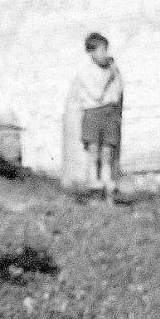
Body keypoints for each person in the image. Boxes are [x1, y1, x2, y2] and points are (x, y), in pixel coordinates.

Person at [69, 32, 124, 203]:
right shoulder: (86, 73)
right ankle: (94, 188)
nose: (105, 54)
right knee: (94, 153)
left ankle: (109, 189)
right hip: (93, 113)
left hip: (110, 112)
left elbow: (118, 92)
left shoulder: (111, 70)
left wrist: (115, 76)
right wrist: (110, 76)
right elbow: (97, 94)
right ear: (92, 53)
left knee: (108, 152)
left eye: (106, 50)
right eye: (101, 50)